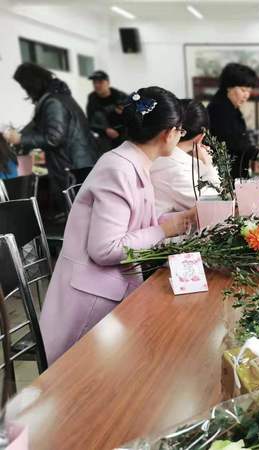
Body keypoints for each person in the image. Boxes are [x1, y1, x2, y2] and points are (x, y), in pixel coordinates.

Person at [39, 86, 196, 365]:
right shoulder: (119, 168)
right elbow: (104, 248)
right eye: (180, 130)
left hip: (108, 291)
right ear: (168, 133)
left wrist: (179, 221)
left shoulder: (133, 160)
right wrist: (165, 230)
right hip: (90, 305)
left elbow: (133, 224)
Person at [3, 63, 97, 213]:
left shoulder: (53, 102)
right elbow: (38, 126)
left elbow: (53, 138)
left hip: (71, 167)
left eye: (25, 86)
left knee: (77, 213)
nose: (26, 91)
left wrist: (20, 139)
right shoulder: (58, 97)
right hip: (78, 163)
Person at [151, 99, 220, 216]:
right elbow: (217, 202)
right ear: (200, 137)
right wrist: (209, 166)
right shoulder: (175, 168)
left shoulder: (160, 154)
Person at [207, 63, 258, 179]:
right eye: (243, 90)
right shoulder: (219, 109)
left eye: (249, 91)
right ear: (229, 87)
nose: (247, 95)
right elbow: (233, 142)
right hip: (226, 177)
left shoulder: (229, 107)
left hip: (234, 173)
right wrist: (257, 154)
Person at [86, 70, 128, 153]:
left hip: (124, 138)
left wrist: (124, 114)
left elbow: (135, 119)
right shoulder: (92, 99)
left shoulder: (121, 96)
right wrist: (105, 130)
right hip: (105, 140)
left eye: (100, 82)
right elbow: (90, 122)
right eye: (94, 83)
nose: (97, 85)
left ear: (108, 82)